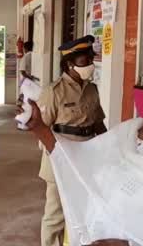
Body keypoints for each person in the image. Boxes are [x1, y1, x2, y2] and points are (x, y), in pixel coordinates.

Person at [20, 55, 143, 246]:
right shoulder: (129, 131)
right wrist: (39, 127)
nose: (138, 88)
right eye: (140, 80)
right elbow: (81, 159)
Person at [34, 35, 107, 246]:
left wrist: (109, 147)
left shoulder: (92, 89)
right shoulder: (53, 92)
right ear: (69, 63)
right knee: (55, 213)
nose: (90, 65)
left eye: (91, 60)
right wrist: (54, 156)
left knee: (81, 209)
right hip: (60, 158)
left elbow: (98, 124)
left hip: (86, 157)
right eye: (85, 61)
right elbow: (40, 128)